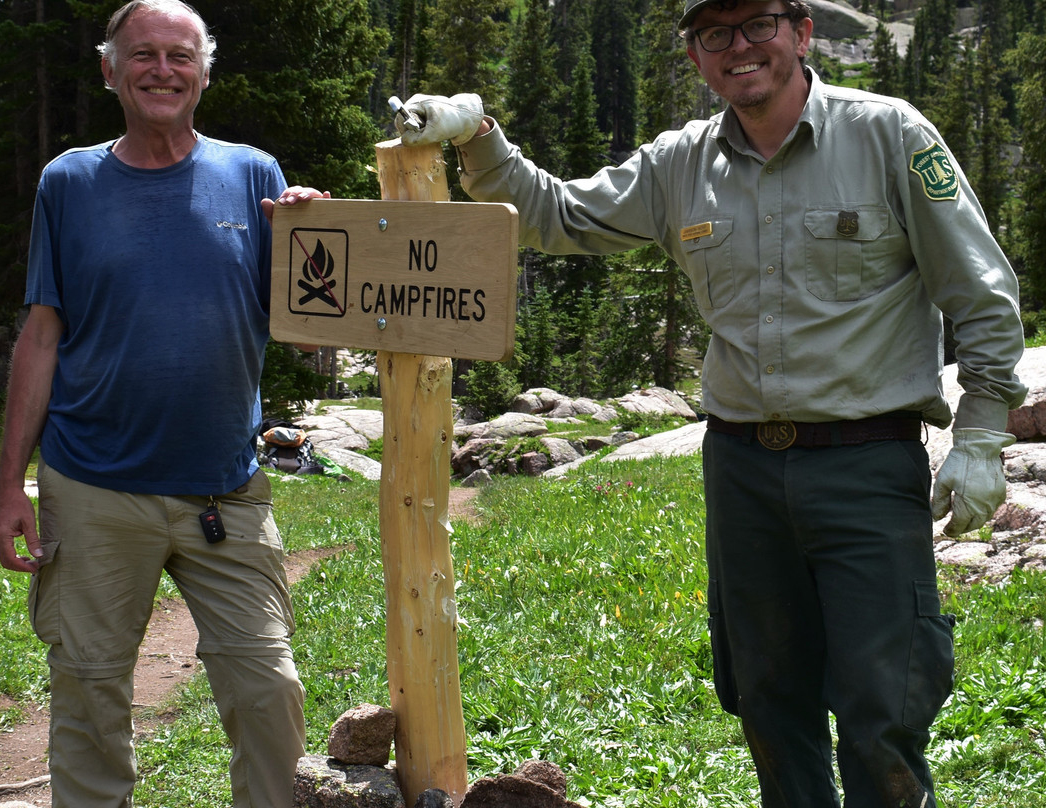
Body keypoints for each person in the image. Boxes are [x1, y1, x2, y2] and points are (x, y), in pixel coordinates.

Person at [395, 1, 1026, 805]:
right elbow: (555, 214)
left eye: (758, 24)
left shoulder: (889, 134)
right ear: (696, 57)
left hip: (868, 464)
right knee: (767, 697)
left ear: (800, 33)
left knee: (883, 704)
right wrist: (477, 134)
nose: (740, 48)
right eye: (714, 35)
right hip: (742, 471)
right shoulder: (679, 164)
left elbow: (982, 294)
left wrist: (979, 436)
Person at [0, 2, 323, 805]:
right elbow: (42, 334)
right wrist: (9, 485)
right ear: (111, 70)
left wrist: (322, 239)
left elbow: (312, 329)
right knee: (89, 693)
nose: (162, 70)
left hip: (225, 490)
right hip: (93, 487)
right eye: (143, 55)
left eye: (180, 55)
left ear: (206, 72)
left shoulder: (255, 174)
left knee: (268, 687)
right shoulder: (67, 181)